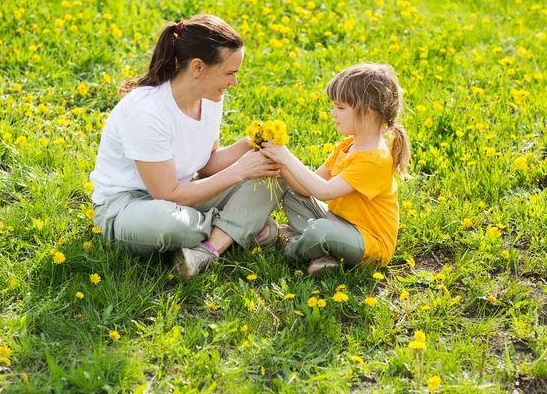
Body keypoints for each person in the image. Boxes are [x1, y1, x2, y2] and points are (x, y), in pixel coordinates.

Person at [90, 15, 285, 281]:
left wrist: (247, 146)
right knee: (168, 225)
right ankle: (241, 225)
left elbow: (206, 164)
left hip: (185, 195)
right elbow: (166, 194)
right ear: (197, 67)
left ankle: (214, 242)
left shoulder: (211, 97)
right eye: (229, 73)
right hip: (129, 205)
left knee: (272, 173)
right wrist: (238, 173)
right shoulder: (146, 112)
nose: (234, 82)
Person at [260, 63, 411, 275]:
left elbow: (324, 191)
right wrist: (281, 166)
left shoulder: (375, 160)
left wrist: (287, 156)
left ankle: (289, 245)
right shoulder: (347, 146)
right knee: (294, 197)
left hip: (369, 245)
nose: (333, 114)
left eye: (340, 108)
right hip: (338, 224)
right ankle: (325, 257)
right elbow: (307, 189)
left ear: (366, 112)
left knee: (320, 230)